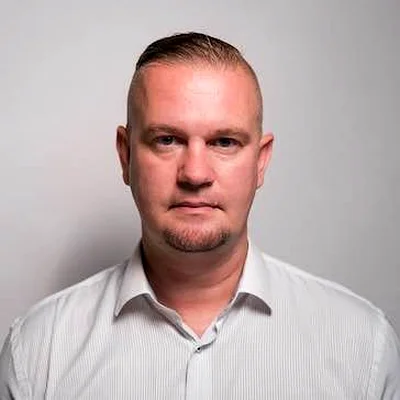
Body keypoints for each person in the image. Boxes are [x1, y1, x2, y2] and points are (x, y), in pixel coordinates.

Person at [0, 32, 399, 399]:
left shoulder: (363, 347)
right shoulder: (37, 352)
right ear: (126, 156)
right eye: (167, 140)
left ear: (260, 162)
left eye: (224, 142)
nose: (194, 173)